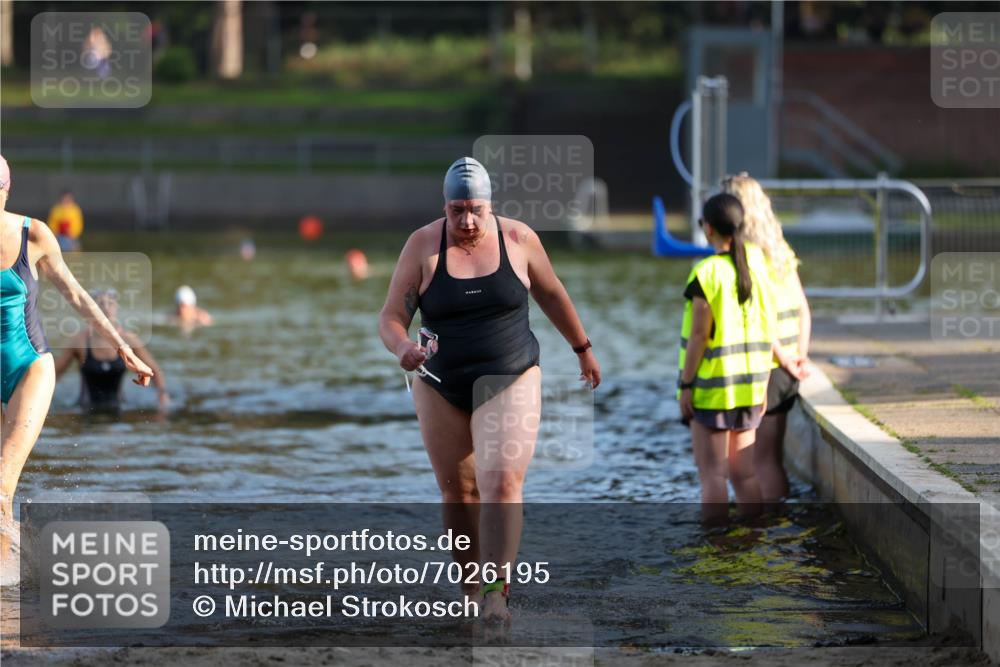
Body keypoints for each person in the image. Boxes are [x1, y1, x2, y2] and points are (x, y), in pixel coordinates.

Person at [378, 157, 601, 622]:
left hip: (510, 374)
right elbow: (392, 316)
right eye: (456, 211)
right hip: (440, 382)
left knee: (501, 481)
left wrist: (582, 349)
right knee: (459, 493)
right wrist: (402, 347)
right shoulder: (423, 245)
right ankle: (471, 593)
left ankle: (497, 592)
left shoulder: (519, 239)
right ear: (444, 206)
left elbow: (552, 293)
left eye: (475, 210)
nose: (467, 221)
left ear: (490, 204)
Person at [0, 155, 154, 573]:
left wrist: (122, 347)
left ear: (5, 190)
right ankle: (15, 568)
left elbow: (78, 296)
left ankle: (7, 584)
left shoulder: (34, 234)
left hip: (29, 367)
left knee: (1, 486)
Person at [676, 193, 799, 523]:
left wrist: (686, 385)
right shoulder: (759, 266)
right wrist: (763, 385)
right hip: (750, 387)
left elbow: (699, 336)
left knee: (713, 476)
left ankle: (715, 543)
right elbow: (768, 325)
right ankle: (753, 537)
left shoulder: (706, 272)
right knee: (745, 474)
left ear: (708, 228)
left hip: (713, 389)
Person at [722, 173, 811, 503]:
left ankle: (767, 523)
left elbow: (759, 319)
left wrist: (782, 358)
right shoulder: (780, 249)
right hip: (788, 366)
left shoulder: (747, 256)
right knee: (773, 458)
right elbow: (803, 307)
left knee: (760, 461)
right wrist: (799, 355)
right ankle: (780, 519)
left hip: (768, 366)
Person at [54, 288, 170, 415]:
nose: (106, 308)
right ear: (91, 311)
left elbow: (154, 371)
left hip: (120, 407)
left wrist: (162, 396)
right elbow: (55, 374)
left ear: (116, 308)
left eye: (110, 303)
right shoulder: (79, 341)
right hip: (85, 408)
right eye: (100, 304)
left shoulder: (129, 340)